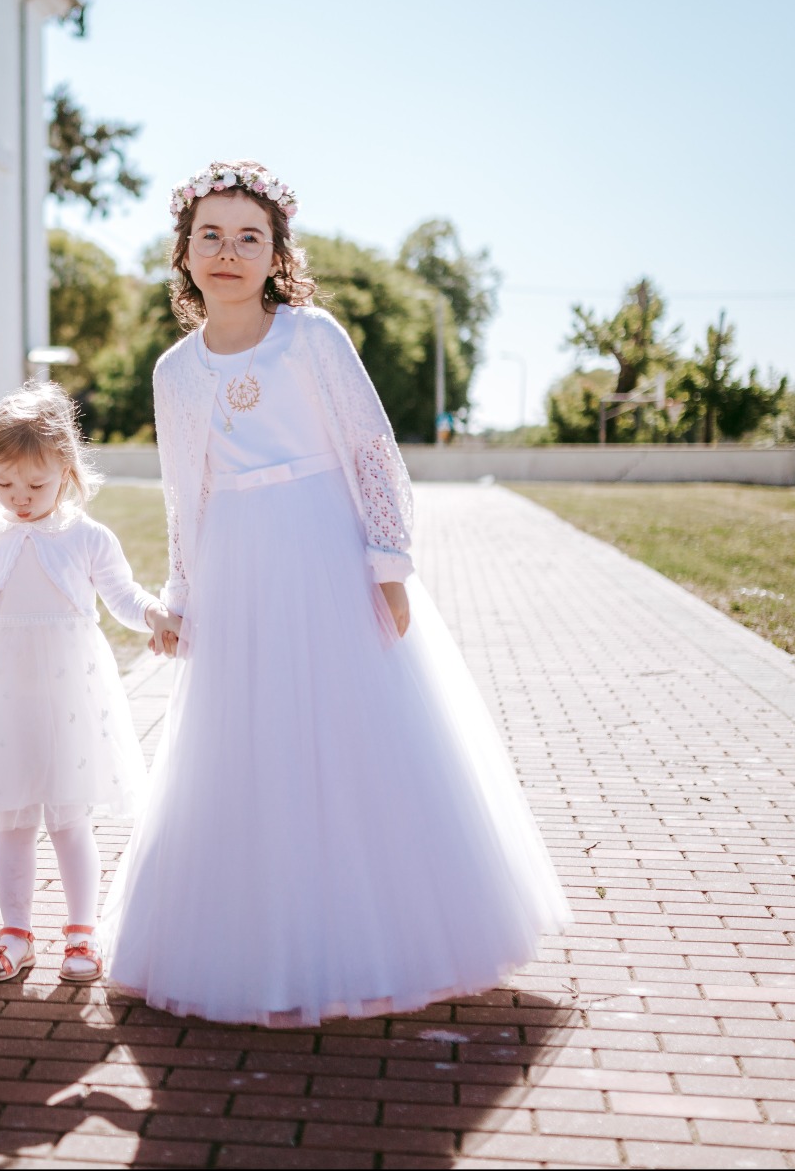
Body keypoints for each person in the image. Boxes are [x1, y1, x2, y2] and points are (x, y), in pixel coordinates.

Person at [103, 161, 571, 1026]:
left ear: (278, 254)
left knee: (350, 731)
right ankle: (255, 933)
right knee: (247, 740)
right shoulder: (175, 369)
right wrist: (185, 593)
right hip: (237, 564)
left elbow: (369, 451)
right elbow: (183, 490)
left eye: (250, 237)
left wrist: (387, 563)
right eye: (211, 235)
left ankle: (382, 927)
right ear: (185, 252)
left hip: (322, 547)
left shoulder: (311, 337)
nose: (229, 252)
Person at [0, 385, 173, 983]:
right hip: (4, 698)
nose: (21, 499)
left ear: (67, 471)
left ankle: (82, 931)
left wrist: (156, 616)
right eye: (5, 486)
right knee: (12, 820)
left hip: (70, 699)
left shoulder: (88, 538)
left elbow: (121, 597)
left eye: (35, 486)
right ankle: (14, 930)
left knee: (68, 819)